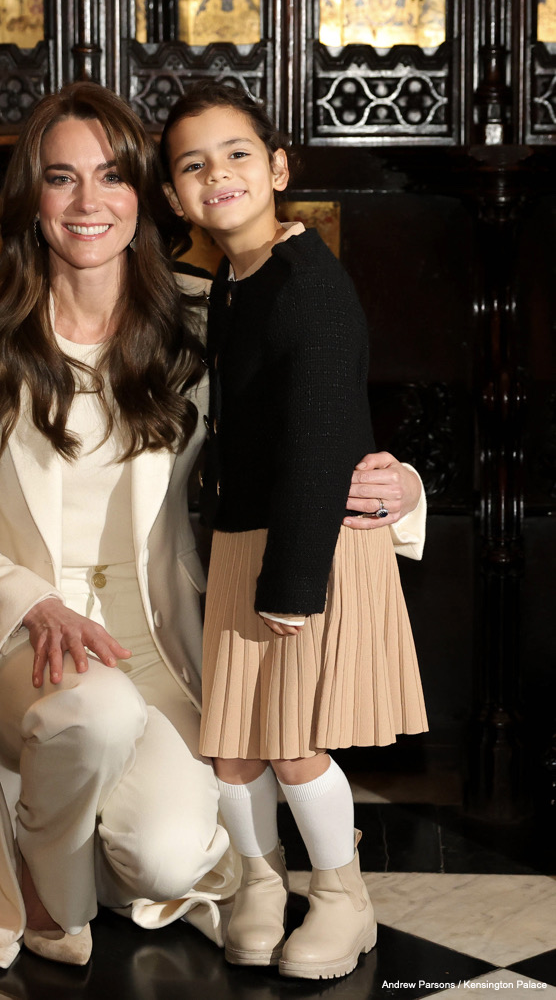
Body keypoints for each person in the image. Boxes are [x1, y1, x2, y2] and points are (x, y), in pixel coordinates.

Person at [0, 81, 427, 972]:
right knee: (94, 717)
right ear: (31, 196)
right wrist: (29, 601)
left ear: (146, 195)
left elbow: (297, 416)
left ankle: (71, 830)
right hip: (16, 640)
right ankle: (46, 887)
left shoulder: (197, 311)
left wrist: (402, 490)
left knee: (170, 857)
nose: (87, 202)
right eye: (60, 178)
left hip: (160, 640)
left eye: (110, 177)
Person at [160, 80, 428, 981]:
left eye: (238, 154)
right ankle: (259, 881)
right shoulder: (235, 281)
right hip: (246, 537)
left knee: (291, 740)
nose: (218, 176)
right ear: (172, 194)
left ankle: (344, 899)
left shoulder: (309, 282)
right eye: (193, 165)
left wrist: (293, 585)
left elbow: (320, 437)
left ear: (278, 167)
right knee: (233, 743)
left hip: (302, 546)